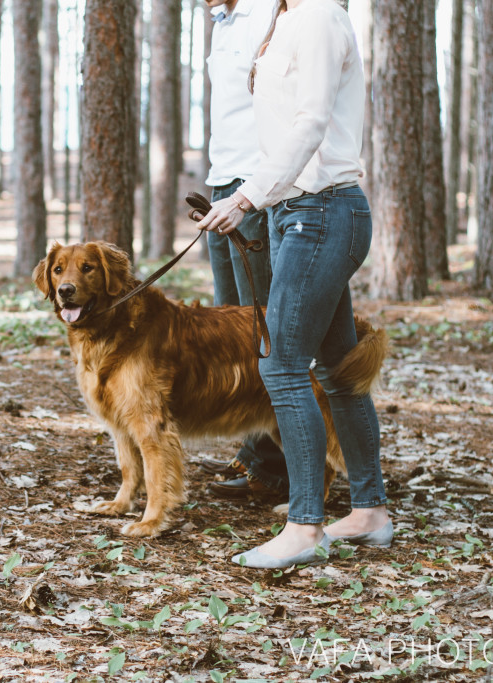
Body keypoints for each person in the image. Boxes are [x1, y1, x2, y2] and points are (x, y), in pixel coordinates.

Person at [195, 0, 392, 569]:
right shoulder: (279, 20)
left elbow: (311, 121)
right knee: (335, 370)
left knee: (282, 366)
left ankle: (304, 527)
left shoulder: (321, 16)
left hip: (323, 210)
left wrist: (247, 196)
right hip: (294, 215)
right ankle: (369, 511)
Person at [199, 0, 289, 504]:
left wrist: (252, 191)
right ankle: (255, 448)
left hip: (253, 190)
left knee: (262, 330)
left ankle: (276, 463)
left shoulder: (267, 13)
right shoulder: (222, 20)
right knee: (232, 328)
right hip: (221, 182)